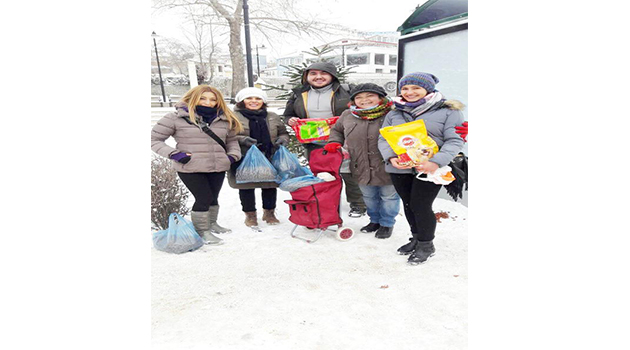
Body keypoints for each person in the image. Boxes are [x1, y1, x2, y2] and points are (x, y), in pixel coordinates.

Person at [378, 72, 465, 265]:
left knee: (420, 205)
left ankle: (426, 245)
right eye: (405, 88)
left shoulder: (449, 111)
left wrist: (435, 162)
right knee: (408, 204)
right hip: (400, 168)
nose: (410, 92)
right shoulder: (394, 113)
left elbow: (455, 140)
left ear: (428, 89)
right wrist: (391, 157)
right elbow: (383, 138)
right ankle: (416, 238)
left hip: (431, 168)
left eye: (416, 88)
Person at [151, 85, 243, 245]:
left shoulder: (224, 118)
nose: (208, 102)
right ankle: (202, 231)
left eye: (213, 99)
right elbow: (154, 140)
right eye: (203, 98)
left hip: (217, 166)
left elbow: (232, 140)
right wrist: (175, 154)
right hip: (191, 167)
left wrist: (232, 156)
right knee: (204, 197)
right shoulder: (175, 118)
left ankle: (212, 223)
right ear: (193, 98)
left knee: (213, 197)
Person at [284, 61, 367, 217]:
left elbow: (362, 106)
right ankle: (328, 202)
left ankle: (357, 203)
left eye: (323, 73)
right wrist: (290, 120)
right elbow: (288, 114)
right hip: (314, 142)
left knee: (349, 173)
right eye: (313, 74)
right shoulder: (298, 93)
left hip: (344, 140)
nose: (318, 77)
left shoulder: (346, 90)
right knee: (323, 175)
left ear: (332, 75)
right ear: (306, 76)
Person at [325, 83, 401, 239]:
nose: (364, 100)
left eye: (370, 96)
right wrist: (334, 141)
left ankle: (387, 223)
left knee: (389, 197)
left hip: (388, 164)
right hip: (360, 164)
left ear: (381, 97)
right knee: (368, 197)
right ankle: (374, 221)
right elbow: (337, 130)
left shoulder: (393, 113)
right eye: (359, 97)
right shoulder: (347, 114)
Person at [227, 87, 290, 228]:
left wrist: (283, 140)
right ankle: (250, 216)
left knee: (269, 185)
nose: (254, 101)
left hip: (269, 156)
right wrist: (242, 140)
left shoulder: (272, 116)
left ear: (263, 101)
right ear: (241, 101)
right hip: (244, 157)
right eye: (249, 98)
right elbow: (227, 135)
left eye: (258, 98)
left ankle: (269, 213)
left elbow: (283, 133)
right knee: (246, 186)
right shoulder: (232, 117)